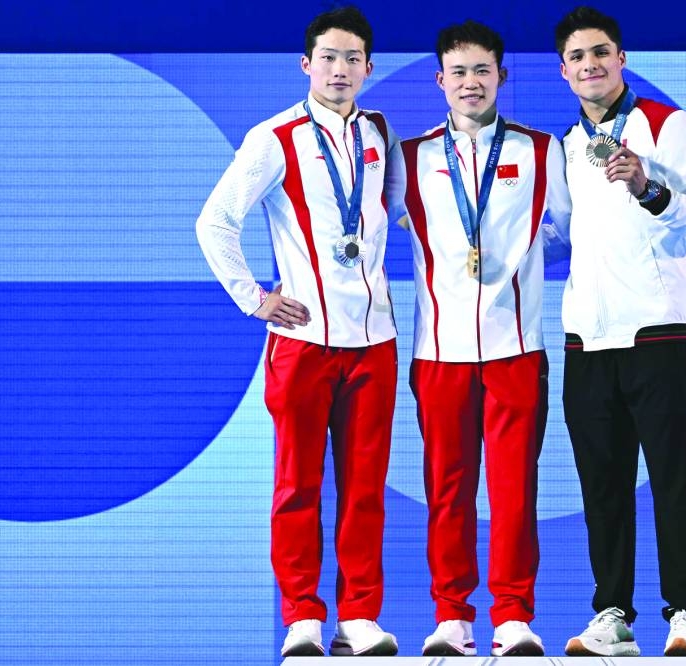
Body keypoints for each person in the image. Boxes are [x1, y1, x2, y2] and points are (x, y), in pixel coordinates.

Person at [195, 6, 403, 658]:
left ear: (369, 68)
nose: (340, 71)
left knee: (365, 489)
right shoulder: (275, 137)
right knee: (297, 487)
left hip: (375, 342)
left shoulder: (381, 134)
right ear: (306, 64)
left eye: (353, 60)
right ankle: (303, 618)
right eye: (329, 58)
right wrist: (254, 298)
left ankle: (360, 617)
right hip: (304, 341)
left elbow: (397, 215)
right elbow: (215, 222)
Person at [392, 20, 571, 658]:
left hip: (516, 349)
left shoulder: (542, 150)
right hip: (438, 352)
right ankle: (451, 616)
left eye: (482, 71)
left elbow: (574, 228)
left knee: (515, 486)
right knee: (448, 487)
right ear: (440, 80)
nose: (471, 83)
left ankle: (514, 617)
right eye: (458, 72)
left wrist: (524, 251)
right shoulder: (408, 158)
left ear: (502, 75)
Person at [553, 6, 686, 658]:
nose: (590, 65)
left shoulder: (667, 124)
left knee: (674, 477)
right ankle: (612, 615)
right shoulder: (567, 146)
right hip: (587, 338)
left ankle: (685, 614)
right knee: (602, 483)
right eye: (577, 57)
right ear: (564, 70)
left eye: (601, 52)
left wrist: (650, 186)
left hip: (659, 329)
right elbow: (556, 236)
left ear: (621, 59)